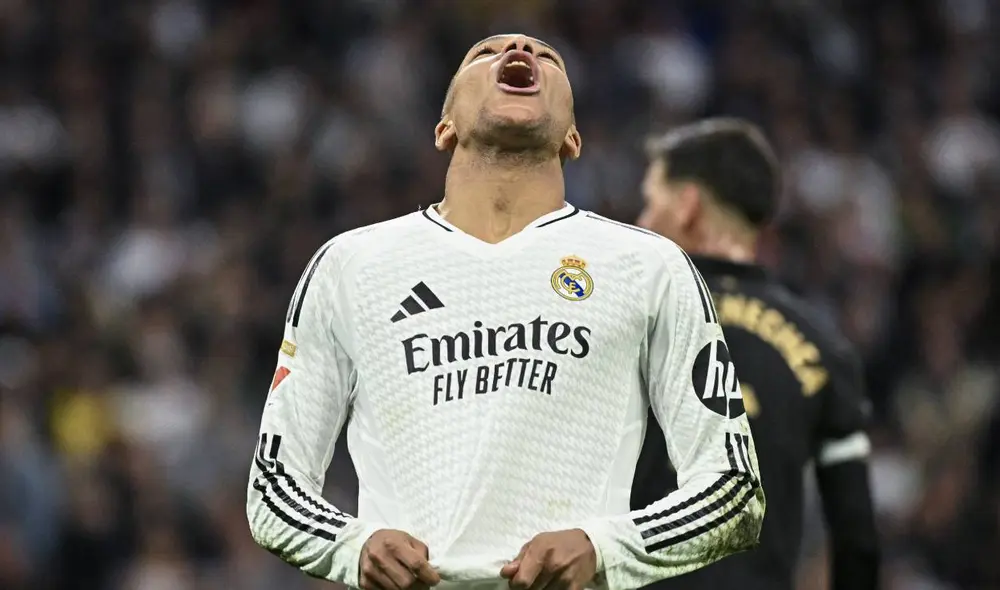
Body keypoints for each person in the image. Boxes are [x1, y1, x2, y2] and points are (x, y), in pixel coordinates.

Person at [246, 35, 764, 590]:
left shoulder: (648, 266)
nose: (520, 48)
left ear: (572, 137)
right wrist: (354, 547)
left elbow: (734, 489)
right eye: (483, 53)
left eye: (549, 57)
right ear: (445, 127)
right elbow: (273, 489)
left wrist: (604, 548)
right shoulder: (352, 266)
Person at [634, 118, 879, 590]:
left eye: (651, 202)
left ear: (687, 206)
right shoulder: (824, 346)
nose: (642, 222)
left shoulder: (620, 322)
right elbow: (857, 538)